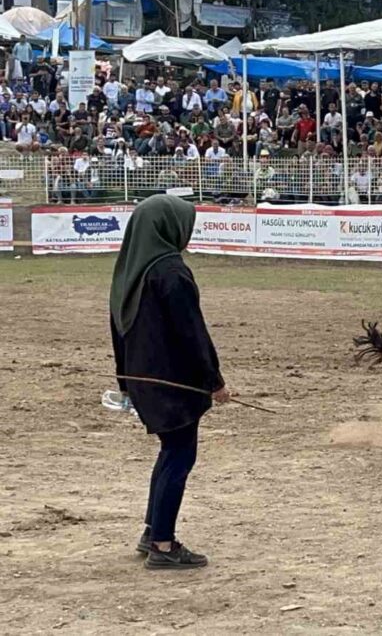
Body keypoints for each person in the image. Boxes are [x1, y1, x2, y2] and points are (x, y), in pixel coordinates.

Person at [109, 195, 229, 570]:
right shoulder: (171, 271)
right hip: (174, 383)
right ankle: (163, 543)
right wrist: (215, 381)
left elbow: (118, 331)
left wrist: (125, 383)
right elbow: (192, 333)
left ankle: (152, 532)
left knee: (170, 452)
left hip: (142, 379)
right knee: (180, 455)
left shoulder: (130, 271)